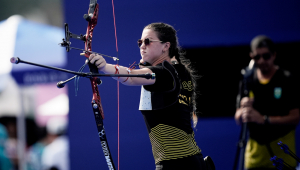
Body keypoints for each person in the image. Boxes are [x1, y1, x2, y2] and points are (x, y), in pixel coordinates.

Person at [89, 22, 206, 170]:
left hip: (176, 163)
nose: (142, 46)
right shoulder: (180, 71)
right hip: (192, 161)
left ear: (166, 46)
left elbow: (131, 77)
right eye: (140, 42)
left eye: (148, 41)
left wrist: (104, 67)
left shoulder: (164, 73)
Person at [234, 35, 300, 170]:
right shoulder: (247, 80)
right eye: (257, 57)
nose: (262, 60)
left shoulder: (286, 79)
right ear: (251, 57)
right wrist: (243, 110)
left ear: (274, 55)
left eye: (266, 56)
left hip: (282, 157)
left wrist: (264, 119)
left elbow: (296, 117)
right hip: (255, 157)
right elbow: (238, 119)